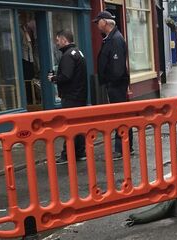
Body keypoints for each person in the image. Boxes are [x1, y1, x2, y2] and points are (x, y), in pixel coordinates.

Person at [94, 10, 133, 158]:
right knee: (121, 115)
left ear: (105, 22)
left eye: (98, 22)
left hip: (116, 84)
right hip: (115, 84)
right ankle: (125, 147)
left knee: (120, 116)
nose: (97, 25)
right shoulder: (110, 38)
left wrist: (111, 81)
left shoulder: (115, 39)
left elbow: (117, 67)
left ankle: (122, 148)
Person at [50, 30, 88, 163]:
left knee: (69, 126)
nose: (57, 42)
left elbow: (66, 76)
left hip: (71, 97)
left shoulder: (68, 55)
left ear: (64, 40)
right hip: (80, 95)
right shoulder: (78, 53)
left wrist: (54, 78)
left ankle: (67, 154)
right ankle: (80, 152)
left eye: (58, 40)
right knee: (78, 125)